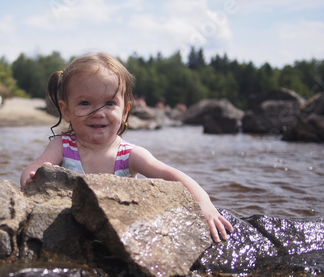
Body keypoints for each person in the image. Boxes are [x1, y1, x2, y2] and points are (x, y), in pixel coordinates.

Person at [20, 52, 233, 242]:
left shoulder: (129, 155)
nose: (98, 112)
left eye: (110, 103)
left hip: (121, 235)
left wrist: (204, 205)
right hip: (72, 233)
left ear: (124, 112)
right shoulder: (62, 146)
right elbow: (30, 173)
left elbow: (172, 175)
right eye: (85, 103)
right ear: (66, 111)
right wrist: (34, 177)